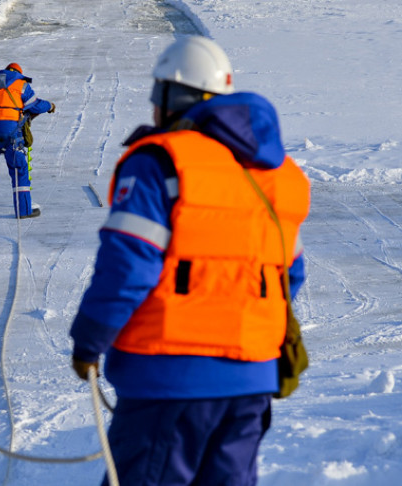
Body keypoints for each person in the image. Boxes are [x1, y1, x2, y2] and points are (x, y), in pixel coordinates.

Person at [69, 36, 310, 486]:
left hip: (168, 379)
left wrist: (88, 341)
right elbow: (287, 277)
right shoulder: (281, 175)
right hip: (251, 382)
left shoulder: (161, 162)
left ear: (169, 97)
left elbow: (128, 269)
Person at [0, 62, 55, 218]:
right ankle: (24, 210)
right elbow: (35, 106)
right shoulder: (21, 84)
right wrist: (50, 106)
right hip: (11, 132)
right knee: (19, 170)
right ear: (18, 72)